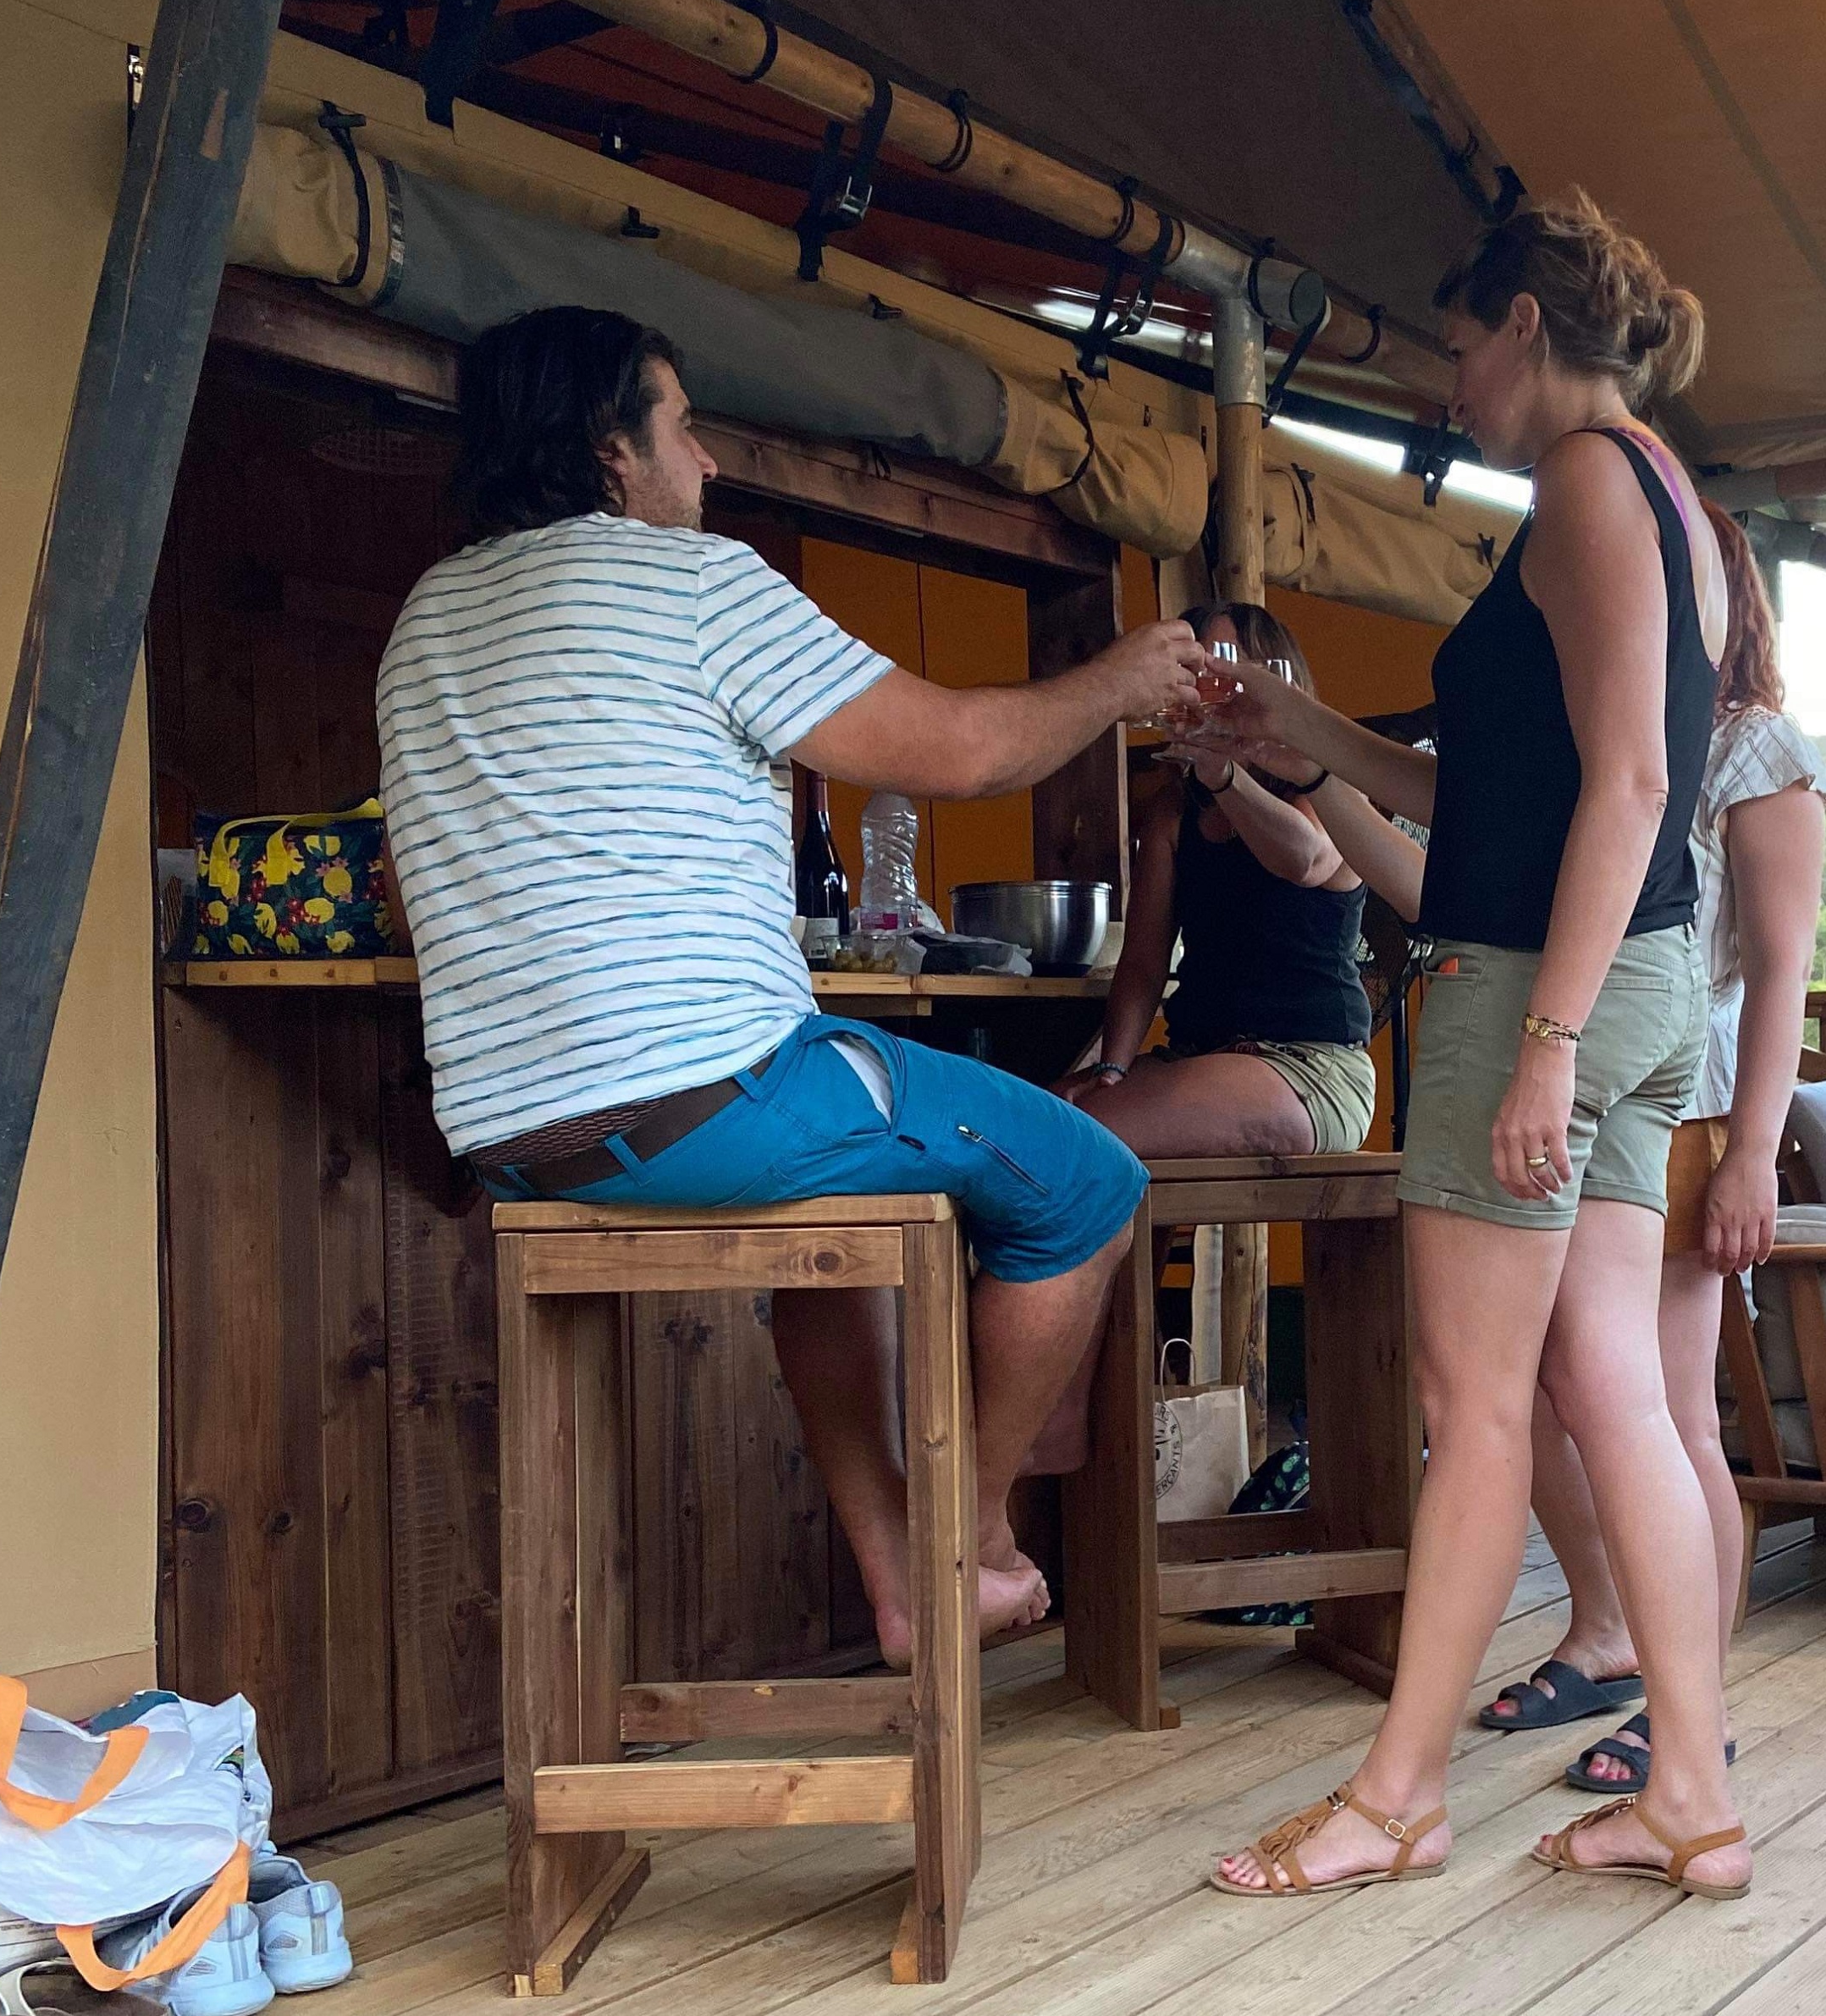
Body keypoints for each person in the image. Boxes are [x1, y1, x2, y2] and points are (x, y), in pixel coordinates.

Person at [375, 307, 1210, 1662]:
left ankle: (899, 1586)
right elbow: (959, 750)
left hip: (514, 1144)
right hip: (710, 1103)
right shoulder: (692, 583)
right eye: (684, 427)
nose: (708, 462)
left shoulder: (423, 620)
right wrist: (1115, 680)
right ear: (610, 452)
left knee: (849, 1210)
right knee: (1090, 1183)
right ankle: (967, 1543)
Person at [1206, 192, 1752, 1904]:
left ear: (1524, 322)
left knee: (1473, 1407)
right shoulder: (1662, 491)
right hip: (1636, 980)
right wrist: (1301, 733)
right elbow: (1503, 789)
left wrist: (1543, 1042)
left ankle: (1395, 1798)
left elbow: (1635, 786)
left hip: (1543, 985)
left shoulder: (1585, 479)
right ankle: (1691, 1794)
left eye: (1455, 346)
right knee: (1614, 1392)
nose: (1444, 384)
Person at [1478, 501, 1826, 1796]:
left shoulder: (1755, 747)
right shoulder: (1603, 740)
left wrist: (1754, 1154)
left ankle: (1695, 1707)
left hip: (1691, 1107)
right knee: (1543, 1390)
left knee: (1670, 1413)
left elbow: (1784, 970)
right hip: (1582, 1099)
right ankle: (1607, 1630)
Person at [1058, 602, 1383, 1158]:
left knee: (1078, 1138)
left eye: (1223, 666)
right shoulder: (1174, 811)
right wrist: (1112, 1066)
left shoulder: (1326, 785)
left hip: (1309, 1065)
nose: (1205, 682)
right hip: (1198, 1055)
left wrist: (1224, 774)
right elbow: (1143, 961)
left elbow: (1306, 860)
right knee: (1045, 1116)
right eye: (1193, 667)